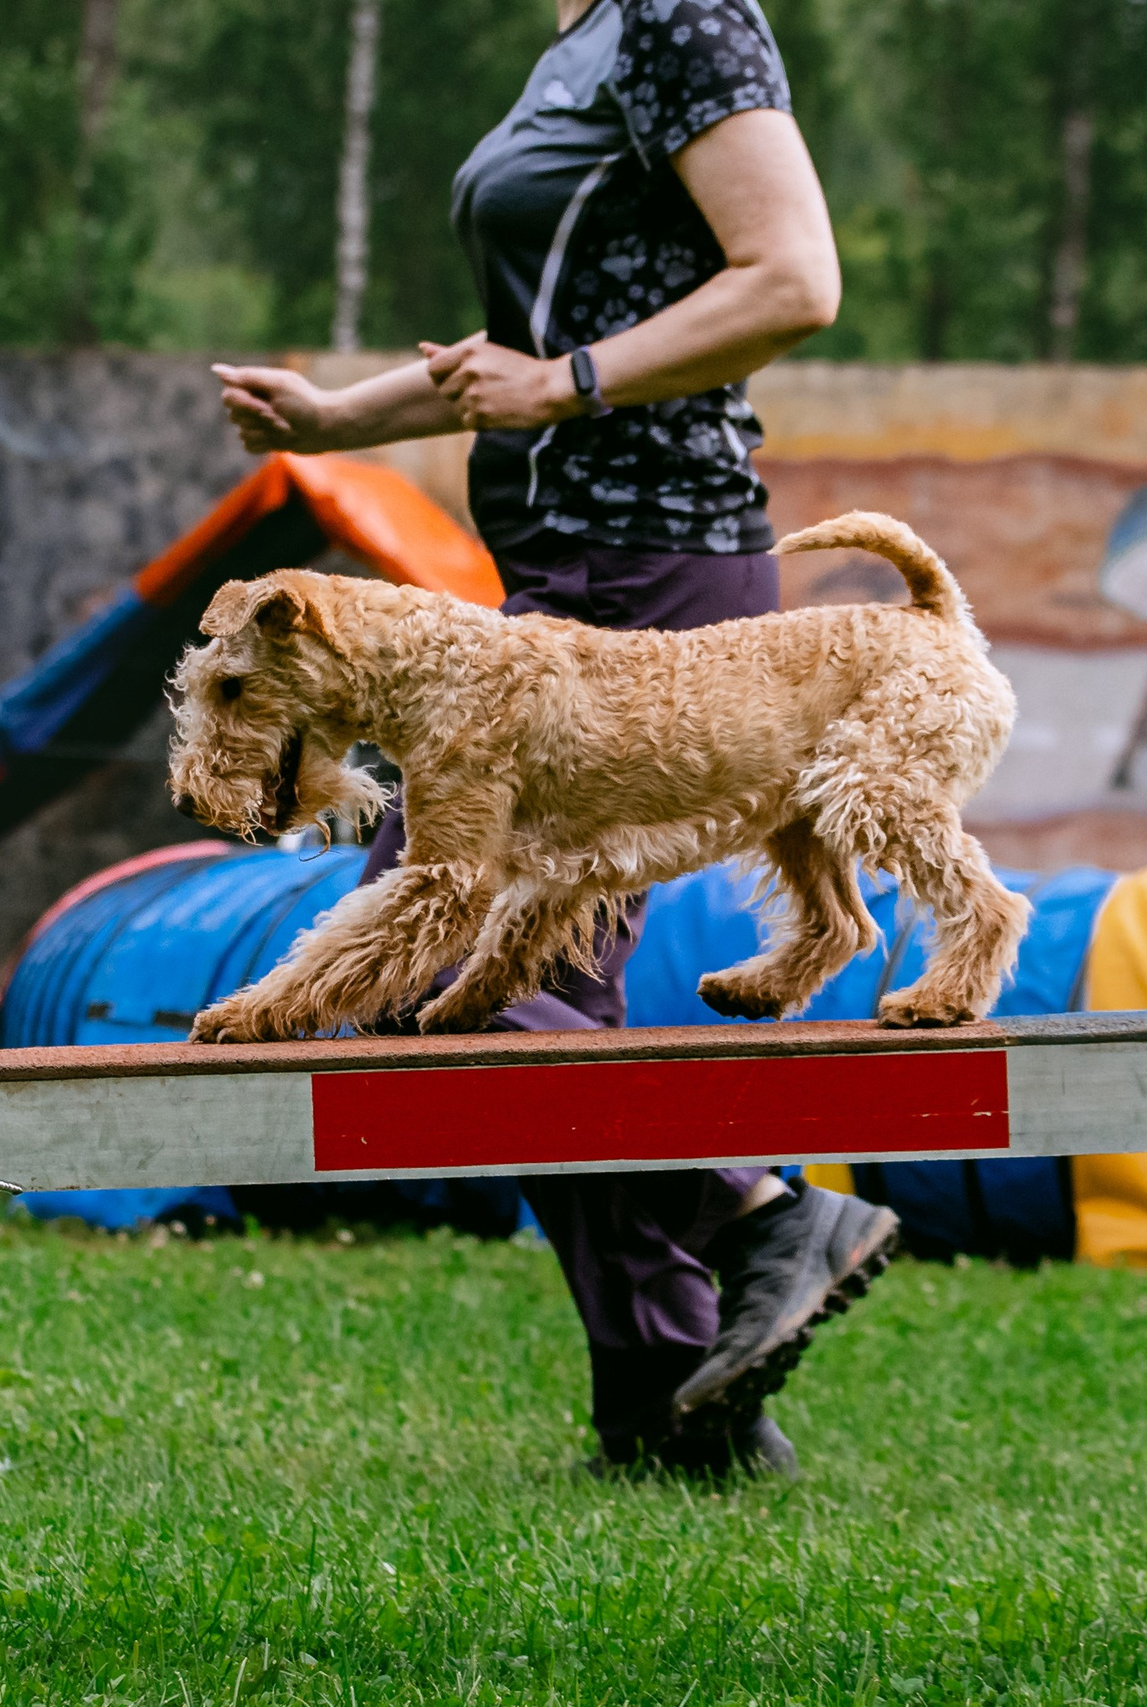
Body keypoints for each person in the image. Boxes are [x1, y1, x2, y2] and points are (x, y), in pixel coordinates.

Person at [213, 0, 899, 1477]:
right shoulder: (578, 46)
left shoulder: (687, 20)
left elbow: (794, 279)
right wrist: (339, 419)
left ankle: (764, 1211)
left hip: (649, 581)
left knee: (429, 974)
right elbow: (523, 346)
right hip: (558, 584)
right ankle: (676, 1414)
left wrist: (572, 388)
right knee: (524, 1007)